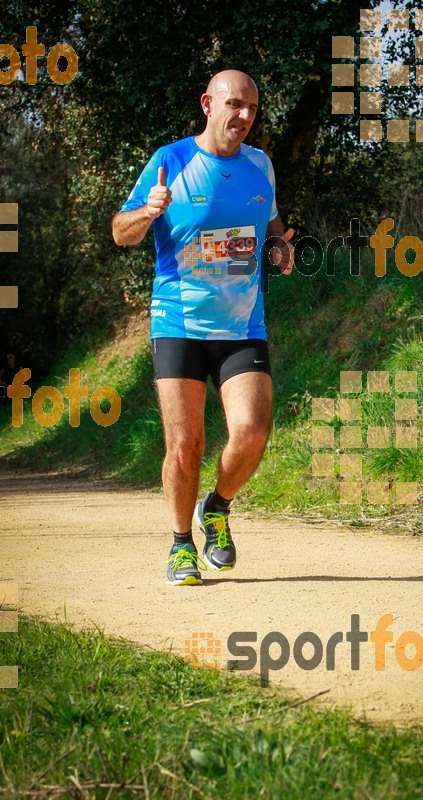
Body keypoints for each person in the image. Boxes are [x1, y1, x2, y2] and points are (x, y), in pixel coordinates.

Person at [112, 69, 294, 586]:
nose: (243, 117)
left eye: (252, 109)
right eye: (234, 105)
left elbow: (273, 227)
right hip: (179, 324)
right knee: (186, 444)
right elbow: (120, 233)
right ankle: (179, 545)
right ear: (207, 105)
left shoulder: (262, 166)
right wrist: (147, 211)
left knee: (253, 433)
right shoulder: (170, 161)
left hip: (241, 327)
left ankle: (216, 507)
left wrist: (279, 248)